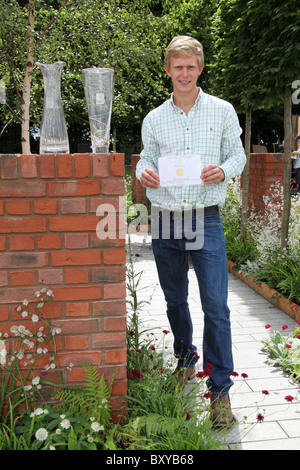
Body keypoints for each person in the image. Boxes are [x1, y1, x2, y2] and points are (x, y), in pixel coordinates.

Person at [136, 36, 246, 427]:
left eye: (190, 66)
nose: (184, 73)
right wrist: (142, 172)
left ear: (200, 69)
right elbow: (145, 160)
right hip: (165, 217)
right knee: (175, 301)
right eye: (177, 67)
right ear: (167, 70)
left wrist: (225, 170)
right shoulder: (154, 118)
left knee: (216, 306)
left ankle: (220, 393)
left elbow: (238, 154)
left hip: (205, 217)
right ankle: (186, 360)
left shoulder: (221, 111)